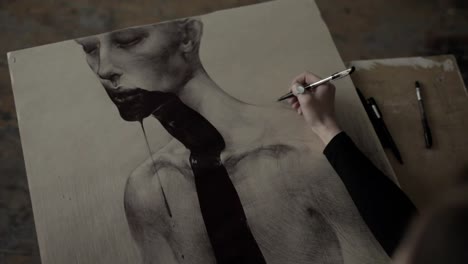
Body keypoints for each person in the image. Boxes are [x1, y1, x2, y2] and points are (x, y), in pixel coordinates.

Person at [76, 17, 412, 264]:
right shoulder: (148, 188)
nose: (104, 69)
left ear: (188, 37)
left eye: (130, 40)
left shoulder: (302, 158)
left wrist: (326, 130)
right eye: (89, 49)